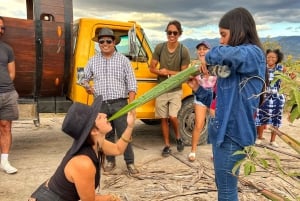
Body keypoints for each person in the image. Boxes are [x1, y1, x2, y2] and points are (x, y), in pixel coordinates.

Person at [194, 7, 266, 201]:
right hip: (221, 134)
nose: (221, 40)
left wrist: (206, 56)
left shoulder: (253, 54)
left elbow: (225, 54)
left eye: (224, 35)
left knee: (226, 191)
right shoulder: (230, 69)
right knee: (224, 186)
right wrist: (197, 88)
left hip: (234, 134)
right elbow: (217, 101)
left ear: (239, 31)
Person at [28, 96, 135, 201]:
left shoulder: (96, 143)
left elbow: (118, 149)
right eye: (99, 117)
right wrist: (111, 198)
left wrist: (130, 126)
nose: (105, 114)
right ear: (93, 131)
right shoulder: (84, 163)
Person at [80, 28, 138, 174]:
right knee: (106, 135)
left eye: (108, 41)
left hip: (120, 103)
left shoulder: (123, 60)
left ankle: (130, 163)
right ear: (98, 43)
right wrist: (88, 87)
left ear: (114, 43)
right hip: (101, 104)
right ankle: (110, 161)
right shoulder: (93, 60)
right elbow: (82, 78)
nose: (105, 44)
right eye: (101, 41)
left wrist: (131, 105)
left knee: (125, 133)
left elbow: (132, 83)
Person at [149, 20, 190, 157]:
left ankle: (178, 137)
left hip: (175, 89)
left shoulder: (183, 51)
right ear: (166, 33)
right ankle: (167, 145)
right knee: (163, 118)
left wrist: (168, 72)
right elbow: (152, 67)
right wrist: (160, 72)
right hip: (161, 89)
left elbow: (185, 75)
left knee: (172, 116)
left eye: (175, 33)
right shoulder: (160, 48)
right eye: (169, 32)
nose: (171, 35)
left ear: (179, 34)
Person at [187, 41, 217, 162]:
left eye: (205, 49)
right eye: (199, 49)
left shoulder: (215, 66)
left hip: (214, 98)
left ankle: (215, 153)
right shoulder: (194, 67)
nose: (202, 51)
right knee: (199, 124)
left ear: (209, 51)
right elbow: (190, 81)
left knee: (215, 125)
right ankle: (193, 151)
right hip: (200, 97)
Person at [255, 49, 288, 147]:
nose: (270, 59)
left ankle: (273, 140)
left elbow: (290, 77)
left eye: (273, 57)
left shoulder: (281, 68)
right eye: (268, 57)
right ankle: (260, 138)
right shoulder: (262, 68)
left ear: (277, 58)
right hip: (264, 96)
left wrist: (292, 76)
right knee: (261, 116)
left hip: (277, 97)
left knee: (276, 118)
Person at [0, 16, 19, 174]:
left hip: (8, 93)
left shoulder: (7, 49)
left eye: (2, 28)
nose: (0, 30)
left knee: (6, 127)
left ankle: (5, 162)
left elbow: (12, 73)